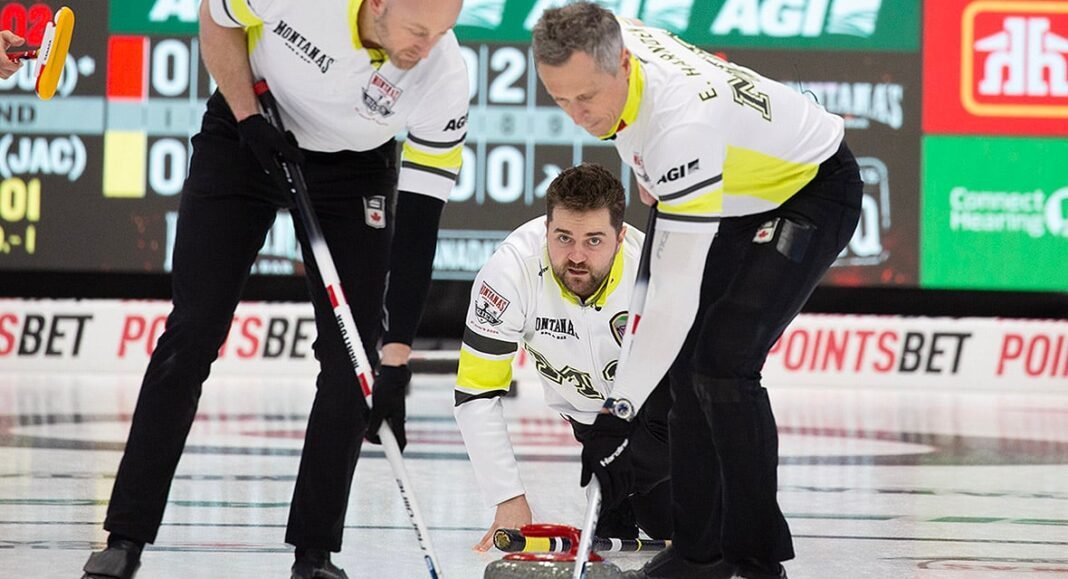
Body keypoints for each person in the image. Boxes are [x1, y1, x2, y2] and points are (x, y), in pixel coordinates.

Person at [81, 0, 468, 578]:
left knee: (351, 358)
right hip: (249, 131)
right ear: (380, 5)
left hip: (354, 169)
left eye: (442, 32)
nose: (428, 47)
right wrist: (247, 120)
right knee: (193, 330)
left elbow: (419, 228)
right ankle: (125, 536)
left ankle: (314, 555)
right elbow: (216, 21)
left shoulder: (444, 75)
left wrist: (397, 360)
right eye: (418, 30)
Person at [533, 4, 863, 579]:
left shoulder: (681, 127)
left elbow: (674, 296)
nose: (577, 115)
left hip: (809, 189)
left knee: (723, 363)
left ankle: (756, 561)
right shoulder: (609, 42)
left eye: (586, 97)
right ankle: (697, 553)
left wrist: (620, 410)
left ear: (624, 66)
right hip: (728, 190)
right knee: (685, 369)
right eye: (559, 100)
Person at [455, 162, 672, 552]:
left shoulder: (655, 274)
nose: (576, 256)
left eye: (593, 240)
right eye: (563, 237)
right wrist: (507, 497)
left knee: (673, 520)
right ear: (546, 230)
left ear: (620, 237)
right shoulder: (509, 274)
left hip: (661, 417)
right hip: (590, 423)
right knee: (621, 516)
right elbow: (476, 394)